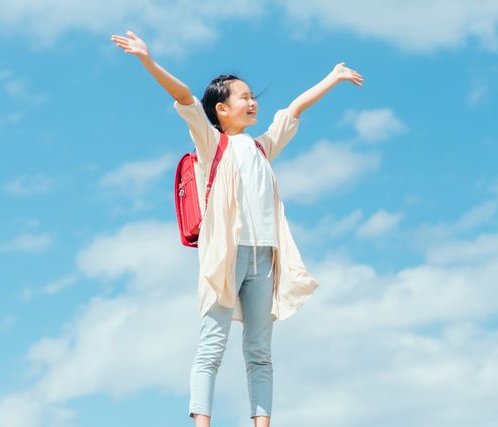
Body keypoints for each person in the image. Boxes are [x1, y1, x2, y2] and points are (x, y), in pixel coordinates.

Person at [111, 30, 363, 427]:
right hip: (227, 254)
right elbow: (184, 98)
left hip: (264, 256)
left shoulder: (263, 147)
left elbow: (294, 110)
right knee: (212, 345)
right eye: (243, 97)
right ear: (221, 110)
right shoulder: (213, 144)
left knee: (259, 351)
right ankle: (202, 423)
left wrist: (332, 78)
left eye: (252, 96)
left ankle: (261, 424)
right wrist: (148, 60)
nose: (252, 102)